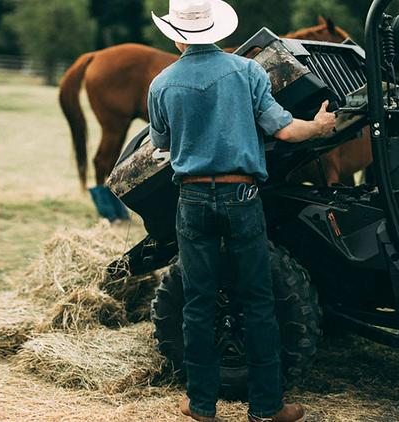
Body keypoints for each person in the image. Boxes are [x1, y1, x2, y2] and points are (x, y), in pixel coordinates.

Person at [148, 1, 336, 421]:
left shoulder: (161, 83)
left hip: (193, 199)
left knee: (197, 303)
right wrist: (320, 127)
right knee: (257, 299)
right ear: (215, 30)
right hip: (242, 197)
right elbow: (286, 130)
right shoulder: (247, 72)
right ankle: (267, 407)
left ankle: (200, 406)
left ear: (177, 35)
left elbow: (160, 143)